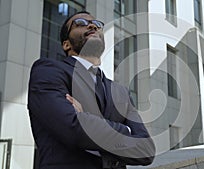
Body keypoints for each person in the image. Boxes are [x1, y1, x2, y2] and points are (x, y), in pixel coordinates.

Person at [28, 11, 155, 169]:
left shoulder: (120, 91)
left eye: (98, 24)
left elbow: (146, 151)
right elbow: (72, 127)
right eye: (80, 23)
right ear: (66, 44)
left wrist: (85, 118)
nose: (92, 25)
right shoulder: (48, 71)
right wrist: (128, 131)